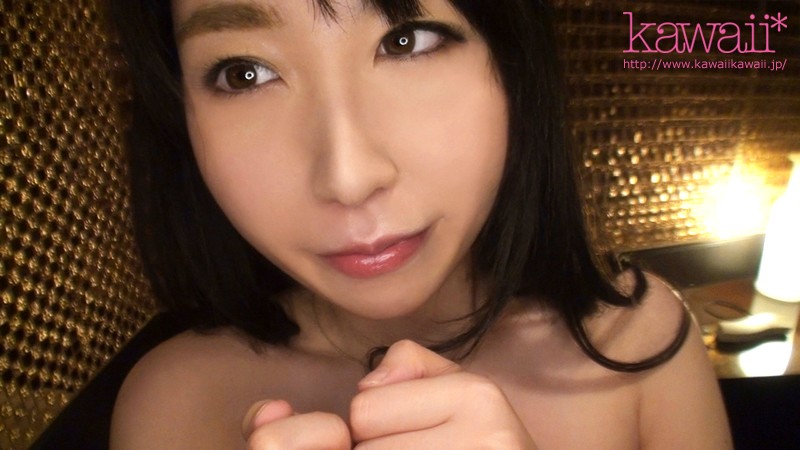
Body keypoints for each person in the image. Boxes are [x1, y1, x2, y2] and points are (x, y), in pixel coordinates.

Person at [108, 0, 732, 448]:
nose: (349, 177)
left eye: (407, 40)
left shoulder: (641, 343)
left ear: (513, 60)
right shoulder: (175, 404)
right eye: (244, 73)